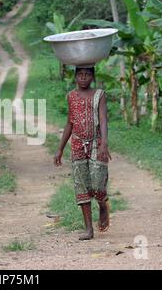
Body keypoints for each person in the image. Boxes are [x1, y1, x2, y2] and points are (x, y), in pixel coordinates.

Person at [54, 66, 112, 240]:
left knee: (98, 183)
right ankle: (89, 229)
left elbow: (102, 119)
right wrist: (59, 149)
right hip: (77, 143)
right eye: (80, 75)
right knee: (81, 185)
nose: (84, 78)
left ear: (93, 77)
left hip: (96, 142)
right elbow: (69, 123)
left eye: (87, 75)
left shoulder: (99, 95)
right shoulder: (71, 96)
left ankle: (102, 205)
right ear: (75, 77)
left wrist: (104, 143)